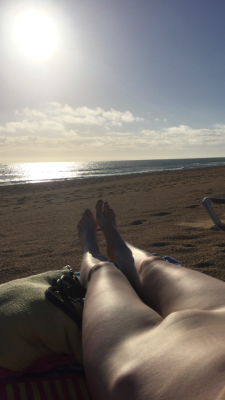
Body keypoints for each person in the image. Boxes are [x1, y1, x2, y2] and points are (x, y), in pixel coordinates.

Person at [78, 200, 225, 400]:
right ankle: (117, 245)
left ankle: (90, 250)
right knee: (150, 264)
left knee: (102, 272)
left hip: (163, 367)